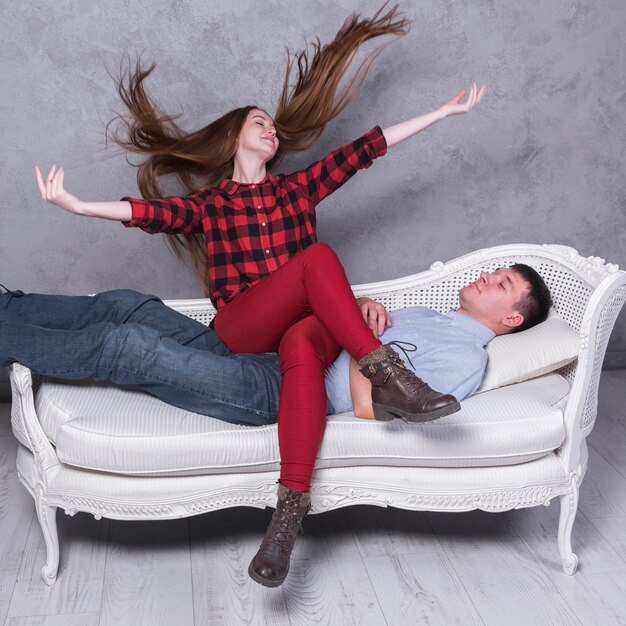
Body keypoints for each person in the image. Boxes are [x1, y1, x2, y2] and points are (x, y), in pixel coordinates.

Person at [33, 5, 488, 587]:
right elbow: (149, 213)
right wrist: (78, 206)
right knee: (318, 261)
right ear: (235, 137)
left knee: (305, 336)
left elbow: (367, 151)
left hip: (299, 333)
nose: (270, 129)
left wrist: (445, 112)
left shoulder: (298, 190)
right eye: (259, 122)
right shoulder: (213, 205)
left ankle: (284, 522)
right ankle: (388, 373)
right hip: (244, 332)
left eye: (273, 125)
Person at [0, 262, 552, 586]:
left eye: (501, 284)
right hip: (267, 350)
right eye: (493, 272)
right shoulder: (429, 314)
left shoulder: (466, 358)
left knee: (126, 344)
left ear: (510, 319)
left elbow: (368, 410)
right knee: (129, 305)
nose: (485, 277)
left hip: (277, 391)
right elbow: (345, 319)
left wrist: (365, 346)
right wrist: (361, 305)